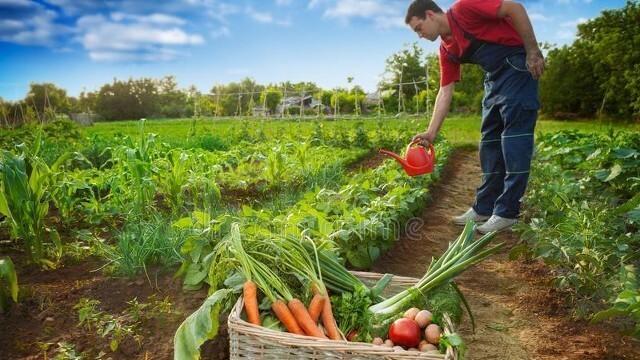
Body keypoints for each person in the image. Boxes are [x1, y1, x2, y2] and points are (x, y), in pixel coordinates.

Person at [406, 0, 545, 233]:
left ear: (430, 14)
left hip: (517, 67)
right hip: (494, 79)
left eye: (418, 28)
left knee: (514, 142)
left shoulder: (464, 9)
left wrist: (532, 50)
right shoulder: (446, 49)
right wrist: (431, 132)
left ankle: (507, 212)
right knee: (489, 143)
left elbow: (514, 8)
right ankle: (484, 207)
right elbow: (445, 90)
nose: (419, 35)